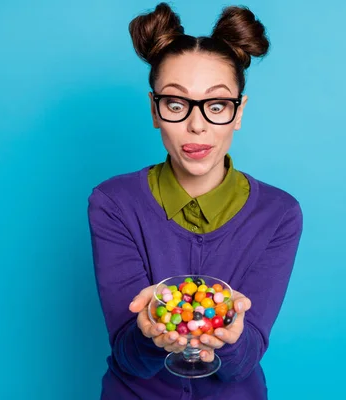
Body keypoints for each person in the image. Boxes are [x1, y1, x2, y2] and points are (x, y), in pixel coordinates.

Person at [87, 3, 303, 399]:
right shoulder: (113, 203)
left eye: (217, 105)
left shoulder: (279, 214)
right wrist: (150, 332)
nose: (197, 125)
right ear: (155, 110)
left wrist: (233, 336)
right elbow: (129, 357)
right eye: (176, 104)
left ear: (239, 113)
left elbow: (243, 361)